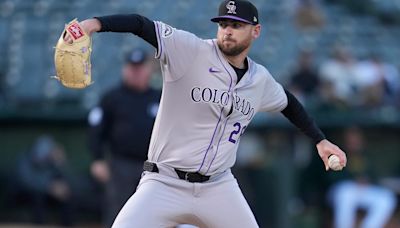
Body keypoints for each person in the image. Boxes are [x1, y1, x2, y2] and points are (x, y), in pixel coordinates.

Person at [65, 0, 347, 227]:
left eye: (236, 25)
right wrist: (93, 25)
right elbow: (141, 24)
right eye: (223, 24)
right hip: (164, 183)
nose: (227, 30)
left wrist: (320, 140)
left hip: (218, 187)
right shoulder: (189, 50)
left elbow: (289, 104)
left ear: (255, 31)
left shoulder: (260, 80)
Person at [87, 48, 160, 227]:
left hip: (153, 167)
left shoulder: (159, 98)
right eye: (132, 67)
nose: (136, 72)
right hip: (121, 165)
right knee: (118, 211)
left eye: (140, 67)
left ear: (148, 70)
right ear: (125, 70)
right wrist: (97, 159)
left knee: (153, 212)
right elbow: (96, 129)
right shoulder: (112, 98)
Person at [328, 127, 397, 228]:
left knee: (387, 198)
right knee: (346, 193)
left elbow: (375, 177)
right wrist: (353, 180)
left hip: (362, 190)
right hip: (341, 190)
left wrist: (367, 181)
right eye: (350, 140)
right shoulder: (336, 155)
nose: (354, 143)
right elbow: (329, 177)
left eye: (356, 140)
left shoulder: (366, 156)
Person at [15, 135, 74, 226]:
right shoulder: (25, 158)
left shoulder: (52, 160)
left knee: (66, 195)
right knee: (37, 196)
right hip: (23, 195)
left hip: (47, 195)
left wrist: (61, 163)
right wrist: (49, 187)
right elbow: (26, 182)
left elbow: (68, 181)